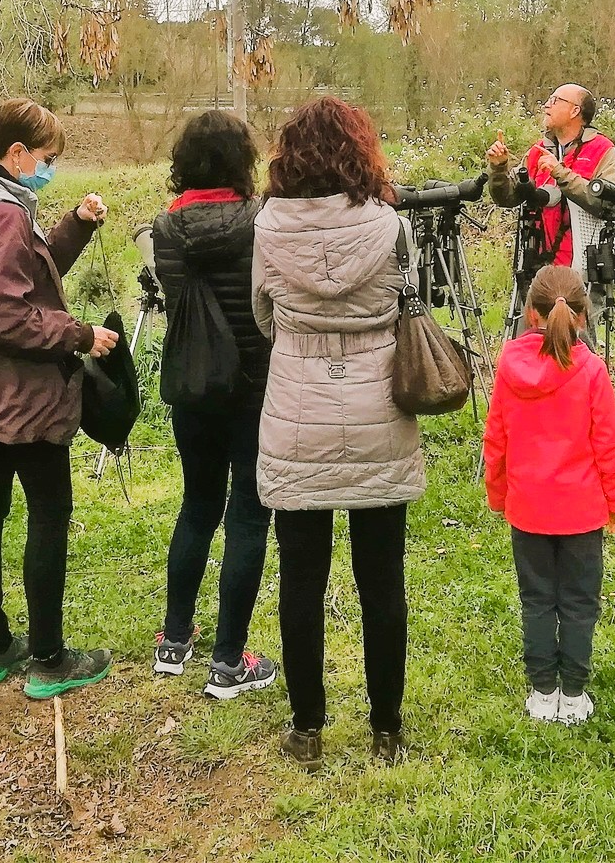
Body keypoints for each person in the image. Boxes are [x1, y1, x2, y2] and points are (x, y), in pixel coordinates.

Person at [253, 96, 422, 770]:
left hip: (297, 415)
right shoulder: (390, 227)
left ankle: (307, 727)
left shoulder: (268, 227)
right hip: (379, 407)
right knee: (382, 580)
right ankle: (386, 727)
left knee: (301, 579)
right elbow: (412, 305)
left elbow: (265, 315)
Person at [0, 97, 118, 699]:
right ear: (16, 154)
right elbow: (3, 313)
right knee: (47, 515)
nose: (48, 169)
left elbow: (25, 278)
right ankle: (47, 657)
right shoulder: (6, 216)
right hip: (22, 399)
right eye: (45, 159)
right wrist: (79, 335)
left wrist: (75, 227)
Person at [149, 110, 276, 699]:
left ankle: (174, 640)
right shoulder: (260, 221)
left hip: (193, 385)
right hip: (253, 386)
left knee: (198, 506)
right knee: (249, 512)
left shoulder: (163, 229)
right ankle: (229, 660)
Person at [483, 265, 615, 726]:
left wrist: (498, 493)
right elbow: (608, 443)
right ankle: (573, 693)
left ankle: (542, 691)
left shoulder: (509, 364)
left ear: (530, 315)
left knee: (537, 600)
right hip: (583, 511)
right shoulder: (591, 370)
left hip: (527, 508)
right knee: (580, 603)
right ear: (583, 317)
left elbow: (496, 438)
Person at [486, 85, 615, 315]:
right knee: (533, 346)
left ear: (575, 111)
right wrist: (499, 169)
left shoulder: (602, 150)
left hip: (583, 273)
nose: (546, 105)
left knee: (578, 347)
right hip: (539, 271)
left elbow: (607, 204)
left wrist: (560, 172)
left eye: (555, 100)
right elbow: (507, 197)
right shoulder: (538, 151)